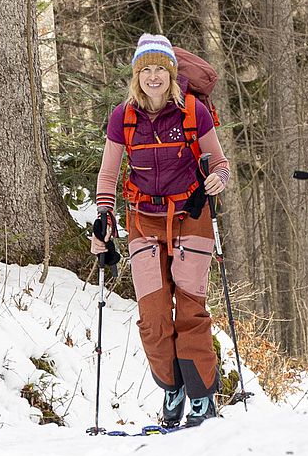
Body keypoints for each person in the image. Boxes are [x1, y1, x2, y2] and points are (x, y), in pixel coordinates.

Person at [91, 33, 231, 427]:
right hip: (143, 221)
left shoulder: (193, 112)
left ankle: (202, 396)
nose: (153, 76)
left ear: (172, 74)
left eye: (161, 69)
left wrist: (217, 179)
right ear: (137, 76)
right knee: (152, 315)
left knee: (190, 310)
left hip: (191, 216)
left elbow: (220, 163)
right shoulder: (123, 117)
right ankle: (172, 388)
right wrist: (104, 215)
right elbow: (108, 173)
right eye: (146, 69)